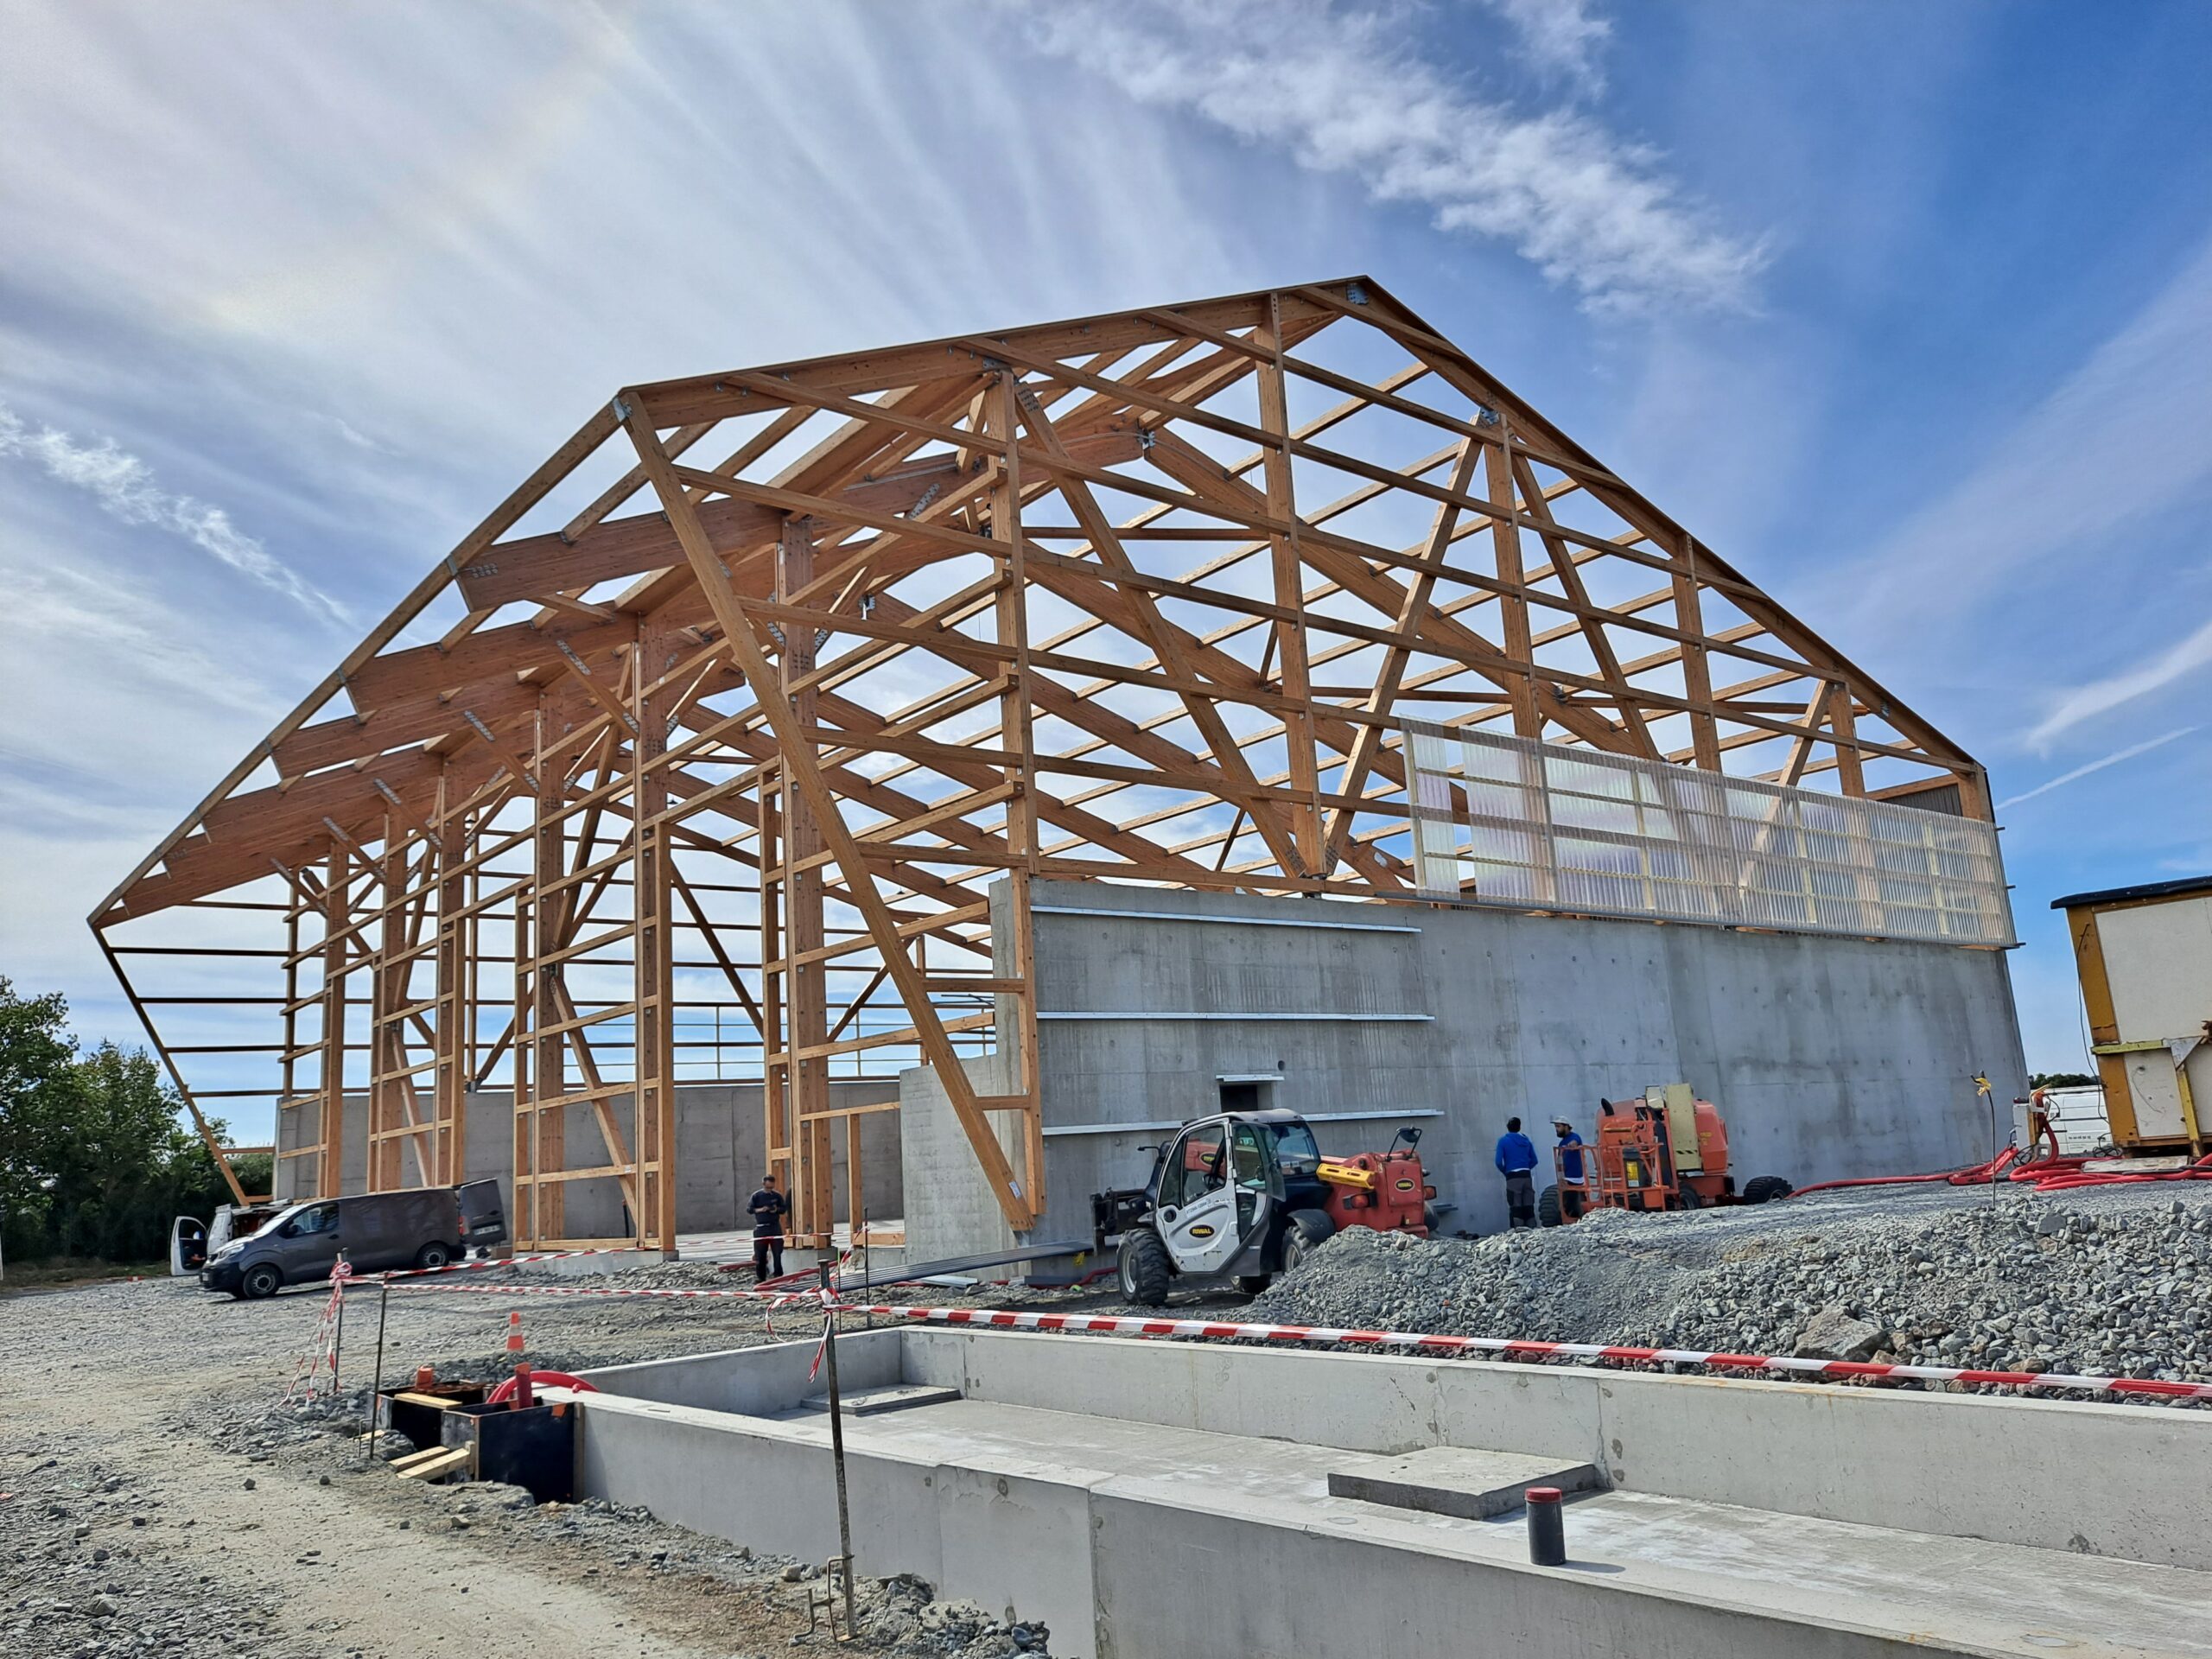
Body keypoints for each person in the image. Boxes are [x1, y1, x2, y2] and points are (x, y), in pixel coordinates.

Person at [1495, 1116, 1539, 1230]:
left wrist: (1506, 1172)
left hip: (1512, 1176)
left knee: (1516, 1205)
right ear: (1519, 1127)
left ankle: (1519, 1233)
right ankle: (1533, 1232)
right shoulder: (1526, 1141)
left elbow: (1498, 1162)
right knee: (1529, 1204)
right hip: (1526, 1175)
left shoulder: (1503, 1141)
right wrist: (1525, 1168)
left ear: (1507, 1127)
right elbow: (1534, 1160)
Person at [748, 1172, 791, 1283]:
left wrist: (775, 1210)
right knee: (760, 1255)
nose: (770, 1189)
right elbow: (750, 1209)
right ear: (763, 1184)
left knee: (777, 1253)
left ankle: (778, 1275)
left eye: (771, 1187)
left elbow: (783, 1209)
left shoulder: (777, 1196)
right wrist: (761, 1210)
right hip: (761, 1229)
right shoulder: (756, 1196)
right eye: (768, 1187)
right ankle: (761, 1277)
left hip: (774, 1227)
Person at [1552, 1116, 1586, 1220]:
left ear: (1566, 1127)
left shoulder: (1574, 1137)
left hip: (1574, 1178)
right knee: (1567, 1204)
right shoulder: (1562, 1142)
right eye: (1556, 1127)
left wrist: (1572, 1145)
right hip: (1566, 1178)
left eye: (1558, 1126)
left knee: (1573, 1204)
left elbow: (1575, 1142)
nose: (1556, 1129)